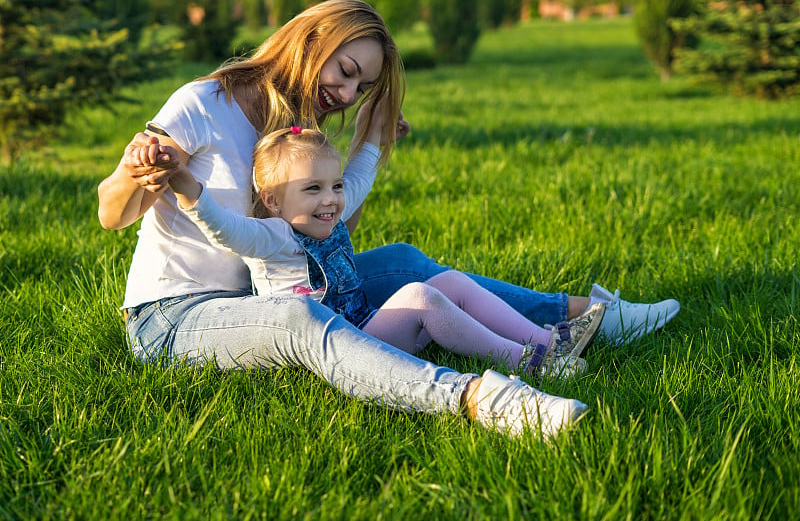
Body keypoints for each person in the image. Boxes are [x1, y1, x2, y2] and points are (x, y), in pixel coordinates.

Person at [97, 0, 679, 438]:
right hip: (174, 317)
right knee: (297, 317)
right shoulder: (204, 103)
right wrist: (138, 171)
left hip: (257, 290)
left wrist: (372, 141)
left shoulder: (293, 120)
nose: (348, 93)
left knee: (401, 261)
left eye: (363, 85)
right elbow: (111, 214)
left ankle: (587, 320)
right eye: (345, 71)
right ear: (312, 39)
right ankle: (483, 399)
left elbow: (328, 219)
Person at [140, 125, 606, 379]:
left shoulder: (328, 217)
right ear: (274, 201)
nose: (331, 199)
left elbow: (359, 180)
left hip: (366, 324)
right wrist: (187, 188)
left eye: (333, 186)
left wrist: (378, 138)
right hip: (340, 346)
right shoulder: (272, 236)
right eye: (313, 189)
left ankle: (551, 340)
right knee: (422, 297)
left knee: (448, 282)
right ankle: (526, 363)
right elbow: (225, 230)